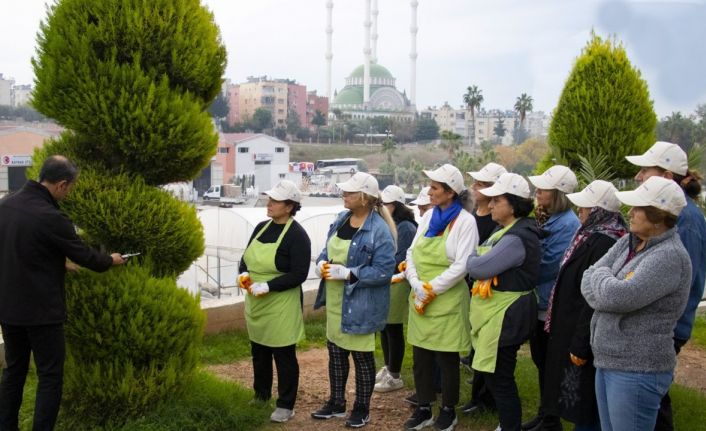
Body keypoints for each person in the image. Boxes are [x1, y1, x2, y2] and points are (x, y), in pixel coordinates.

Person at [0, 155, 126, 431]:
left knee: (14, 371)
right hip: (42, 312)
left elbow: (21, 248)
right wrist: (111, 260)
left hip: (8, 308)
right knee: (49, 376)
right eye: (69, 188)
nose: (68, 194)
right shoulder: (52, 217)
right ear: (61, 184)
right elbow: (87, 257)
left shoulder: (6, 205)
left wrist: (58, 262)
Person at [581, 176, 691, 431]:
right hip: (610, 360)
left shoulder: (668, 256)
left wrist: (602, 279)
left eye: (638, 208)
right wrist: (605, 282)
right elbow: (587, 278)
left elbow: (619, 297)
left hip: (637, 369)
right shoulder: (628, 241)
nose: (629, 212)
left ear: (658, 215)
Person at [625, 141, 706, 431]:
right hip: (653, 324)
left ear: (668, 177)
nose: (639, 177)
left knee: (651, 399)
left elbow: (683, 283)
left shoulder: (686, 222)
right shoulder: (675, 217)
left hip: (663, 328)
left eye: (646, 170)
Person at [311, 172, 396, 428]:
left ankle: (362, 408)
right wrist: (321, 265)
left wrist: (350, 273)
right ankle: (336, 403)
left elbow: (384, 271)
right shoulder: (341, 220)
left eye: (349, 192)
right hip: (337, 301)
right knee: (335, 353)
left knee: (361, 358)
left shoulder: (378, 230)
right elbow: (326, 251)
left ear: (364, 197)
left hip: (361, 304)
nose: (343, 195)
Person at [542, 180, 627, 431]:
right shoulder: (588, 234)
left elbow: (593, 297)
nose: (580, 210)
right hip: (570, 325)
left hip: (583, 332)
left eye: (585, 207)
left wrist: (580, 342)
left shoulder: (605, 241)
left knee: (587, 403)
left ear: (599, 211)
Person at [403, 164, 478, 431]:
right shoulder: (427, 217)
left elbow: (462, 265)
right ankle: (423, 407)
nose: (429, 192)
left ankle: (448, 409)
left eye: (434, 187)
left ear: (450, 192)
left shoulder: (466, 222)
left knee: (446, 359)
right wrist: (415, 283)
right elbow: (412, 252)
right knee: (421, 356)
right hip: (420, 294)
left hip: (446, 298)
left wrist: (432, 287)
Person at [465, 173, 540, 431]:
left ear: (513, 204)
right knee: (497, 374)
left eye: (497, 200)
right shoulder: (505, 230)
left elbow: (479, 267)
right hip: (498, 314)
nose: (491, 204)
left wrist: (471, 258)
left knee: (501, 378)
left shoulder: (517, 237)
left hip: (506, 315)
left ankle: (510, 426)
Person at [237, 180, 311, 423]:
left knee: (283, 354)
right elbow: (245, 258)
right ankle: (261, 394)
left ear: (289, 207)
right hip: (256, 301)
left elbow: (299, 274)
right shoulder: (260, 227)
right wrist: (244, 275)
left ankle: (285, 404)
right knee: (259, 350)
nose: (268, 204)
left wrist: (268, 285)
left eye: (275, 201)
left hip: (281, 303)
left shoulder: (297, 236)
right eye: (269, 199)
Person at [524, 165, 580, 431]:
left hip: (550, 303)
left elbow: (548, 264)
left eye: (544, 189)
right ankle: (545, 412)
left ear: (558, 194)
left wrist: (520, 272)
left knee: (549, 361)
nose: (538, 192)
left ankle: (550, 418)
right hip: (541, 301)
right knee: (541, 360)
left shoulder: (567, 224)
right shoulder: (548, 218)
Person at [460, 162, 508, 416]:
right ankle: (477, 395)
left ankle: (484, 397)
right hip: (468, 286)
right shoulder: (468, 216)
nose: (474, 187)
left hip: (487, 290)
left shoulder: (496, 222)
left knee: (485, 347)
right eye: (475, 183)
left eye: (481, 184)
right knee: (474, 344)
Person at [375, 185, 418, 393]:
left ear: (397, 205)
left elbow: (402, 259)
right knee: (385, 326)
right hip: (387, 280)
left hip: (398, 282)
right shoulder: (390, 224)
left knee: (393, 327)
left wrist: (380, 268)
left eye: (386, 204)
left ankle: (395, 374)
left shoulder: (406, 227)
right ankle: (389, 366)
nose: (382, 207)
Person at [403, 184, 440, 407]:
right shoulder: (424, 224)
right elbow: (412, 253)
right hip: (420, 287)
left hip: (436, 290)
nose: (421, 211)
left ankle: (436, 387)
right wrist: (414, 280)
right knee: (424, 346)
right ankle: (429, 387)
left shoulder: (454, 223)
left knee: (438, 346)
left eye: (424, 207)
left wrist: (426, 286)